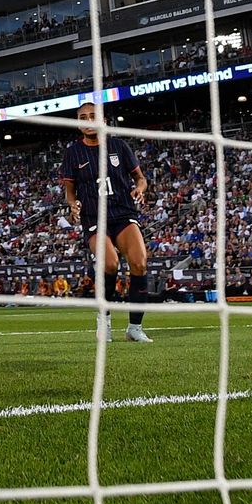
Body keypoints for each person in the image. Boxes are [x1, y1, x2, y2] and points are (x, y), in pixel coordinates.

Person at [60, 101, 154, 343]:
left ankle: (135, 327)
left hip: (123, 212)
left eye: (93, 116)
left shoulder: (119, 146)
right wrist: (72, 204)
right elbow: (70, 189)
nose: (89, 121)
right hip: (94, 216)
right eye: (83, 117)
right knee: (110, 264)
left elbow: (140, 178)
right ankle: (105, 321)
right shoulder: (73, 152)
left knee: (139, 263)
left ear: (103, 120)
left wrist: (140, 189)